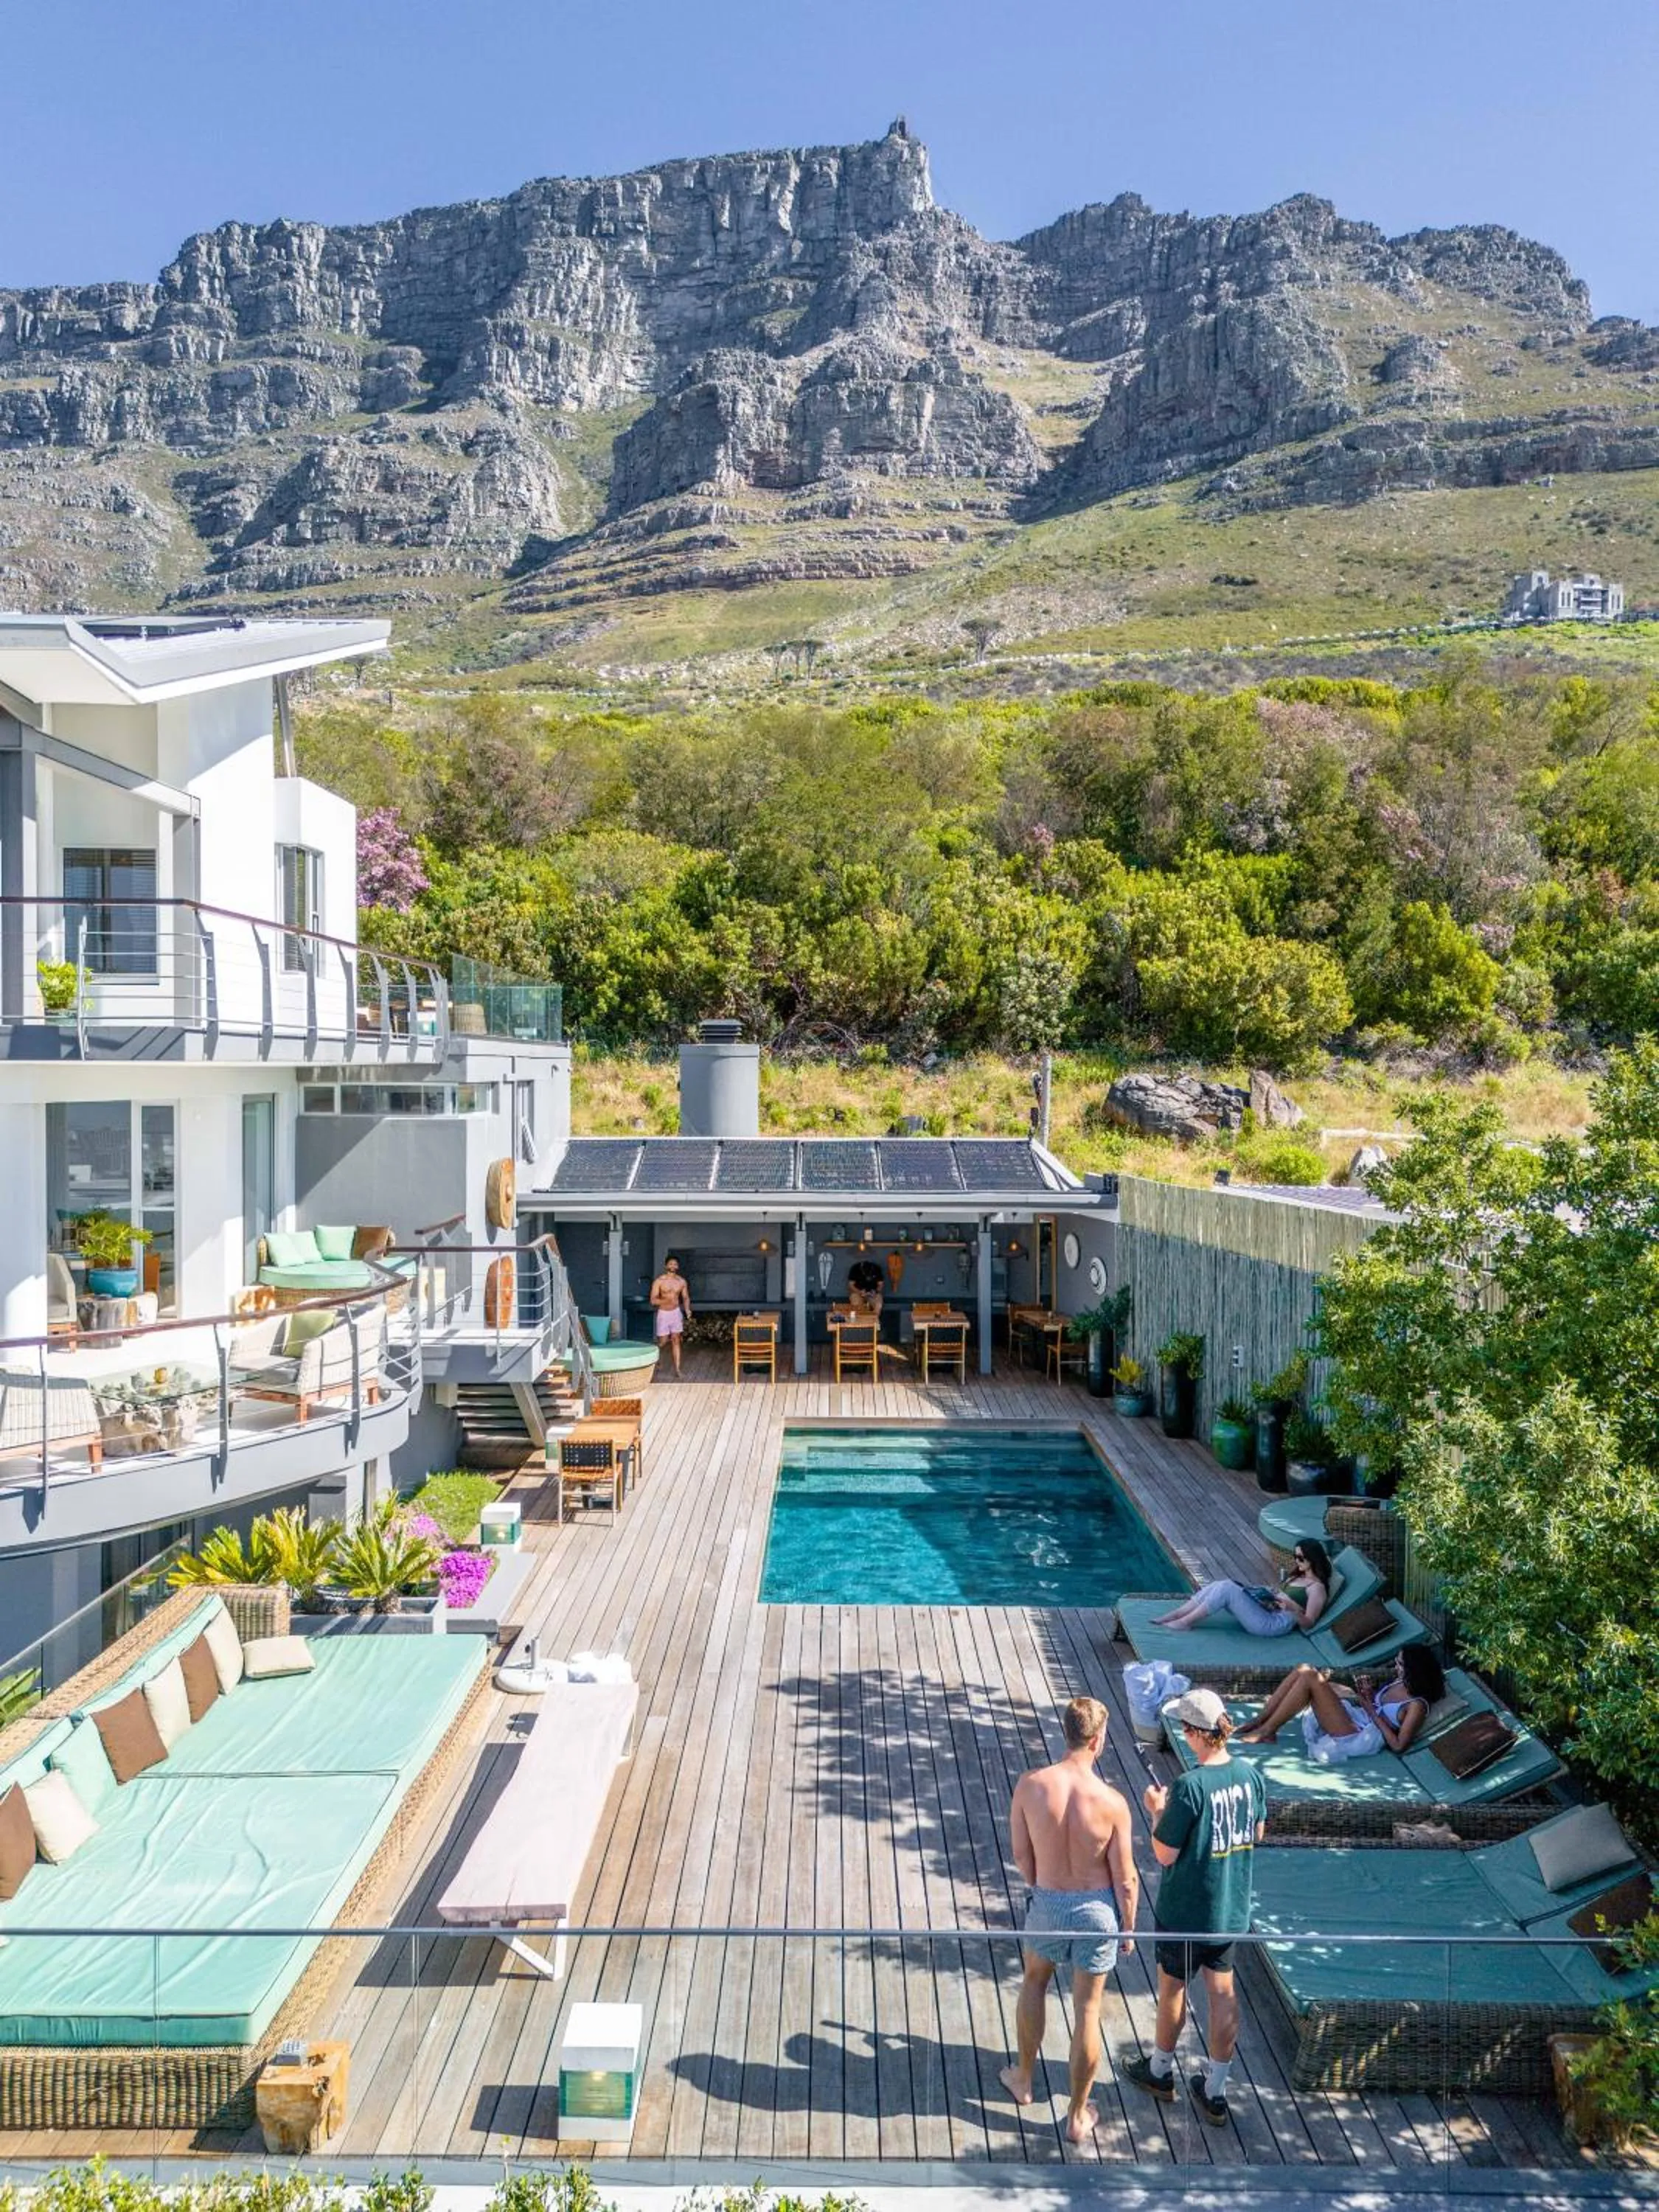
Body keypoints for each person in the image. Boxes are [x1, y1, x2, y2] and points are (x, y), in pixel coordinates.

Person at [1122, 1686, 1267, 2127]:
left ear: (1194, 1732)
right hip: (1230, 1911)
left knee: (1173, 1992)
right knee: (1222, 1995)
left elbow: (1164, 1854)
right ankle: (1216, 2090)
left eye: (1184, 1729)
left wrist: (1156, 1812)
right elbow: (1257, 1834)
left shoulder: (1189, 1787)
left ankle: (1161, 2072)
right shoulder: (1250, 1775)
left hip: (1185, 1912)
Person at [1001, 1696, 1138, 2144]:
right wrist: (1129, 1927)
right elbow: (1126, 1878)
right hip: (1097, 1911)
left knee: (1034, 1982)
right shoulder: (1113, 1802)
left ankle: (1023, 2079)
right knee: (1088, 2010)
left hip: (1049, 1900)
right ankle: (1077, 2116)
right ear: (1098, 1740)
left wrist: (1043, 1885)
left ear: (1068, 1733)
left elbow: (1022, 1853)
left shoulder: (1031, 1785)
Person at [1236, 1643, 1447, 1761]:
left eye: (1400, 1663)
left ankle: (1268, 1731)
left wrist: (1371, 1711)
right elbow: (1379, 1707)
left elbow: (1399, 1746)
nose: (1395, 1666)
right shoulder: (1401, 1681)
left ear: (1414, 1669)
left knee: (1310, 1677)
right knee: (1303, 1668)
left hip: (1362, 1736)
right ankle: (1261, 1720)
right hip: (1360, 1717)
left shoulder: (1417, 1705)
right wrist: (1370, 1695)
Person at [1150, 1537, 1333, 1639]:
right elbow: (1281, 1596)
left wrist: (1292, 1609)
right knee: (1221, 1584)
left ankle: (1184, 1622)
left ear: (1313, 1559)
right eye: (1295, 1556)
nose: (1296, 1561)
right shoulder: (1299, 1575)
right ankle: (1177, 1615)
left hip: (1273, 1624)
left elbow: (1310, 1622)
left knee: (1227, 1588)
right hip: (1268, 1611)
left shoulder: (1317, 1588)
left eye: (1301, 1558)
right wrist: (1265, 1595)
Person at [648, 1255, 692, 1377]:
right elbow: (653, 1300)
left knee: (676, 1340)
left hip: (676, 1313)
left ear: (677, 1267)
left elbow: (686, 1297)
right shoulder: (659, 1281)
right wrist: (665, 1301)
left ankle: (678, 1369)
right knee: (663, 1341)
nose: (673, 1266)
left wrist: (687, 1309)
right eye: (671, 1264)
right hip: (663, 1314)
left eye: (675, 1264)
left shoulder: (681, 1282)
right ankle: (655, 1357)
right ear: (666, 1266)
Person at [846, 1255, 885, 1320]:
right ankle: (861, 1324)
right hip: (858, 1293)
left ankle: (873, 1323)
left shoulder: (876, 1268)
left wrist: (876, 1291)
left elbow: (881, 1284)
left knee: (879, 1304)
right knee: (856, 1304)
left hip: (872, 1293)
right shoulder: (855, 1268)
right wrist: (860, 1292)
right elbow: (851, 1285)